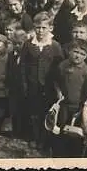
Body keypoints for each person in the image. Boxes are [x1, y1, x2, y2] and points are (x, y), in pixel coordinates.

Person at [20, 12, 64, 150]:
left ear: (50, 28)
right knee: (34, 111)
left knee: (47, 112)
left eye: (44, 28)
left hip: (48, 86)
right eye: (37, 28)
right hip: (32, 84)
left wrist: (58, 88)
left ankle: (45, 140)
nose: (40, 31)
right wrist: (25, 83)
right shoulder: (28, 45)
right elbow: (23, 65)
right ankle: (34, 136)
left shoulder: (55, 46)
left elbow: (59, 68)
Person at [53, 38, 87, 157]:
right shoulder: (63, 65)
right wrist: (58, 92)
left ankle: (74, 155)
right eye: (76, 52)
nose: (78, 56)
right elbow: (56, 81)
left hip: (78, 107)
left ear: (86, 56)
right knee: (62, 128)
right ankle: (60, 153)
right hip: (64, 104)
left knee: (75, 132)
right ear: (69, 51)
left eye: (82, 54)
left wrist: (82, 109)